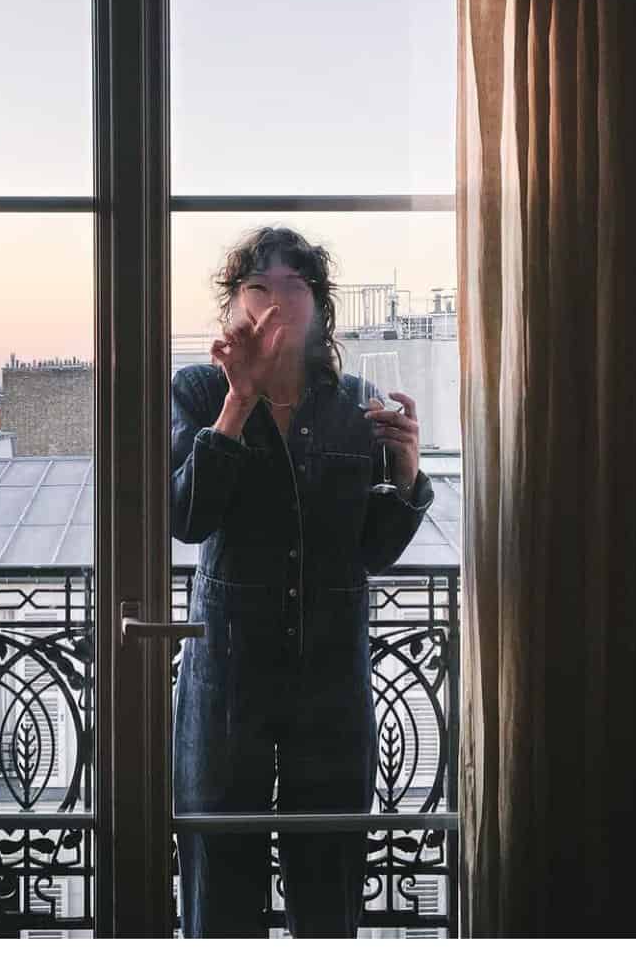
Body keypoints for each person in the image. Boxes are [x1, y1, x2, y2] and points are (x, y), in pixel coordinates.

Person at [170, 226, 433, 937]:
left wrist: (407, 472)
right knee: (220, 886)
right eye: (258, 289)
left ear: (320, 310)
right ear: (231, 311)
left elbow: (373, 549)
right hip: (228, 679)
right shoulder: (195, 391)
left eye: (295, 288)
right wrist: (238, 402)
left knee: (328, 884)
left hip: (330, 680)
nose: (276, 306)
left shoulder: (355, 401)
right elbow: (186, 516)